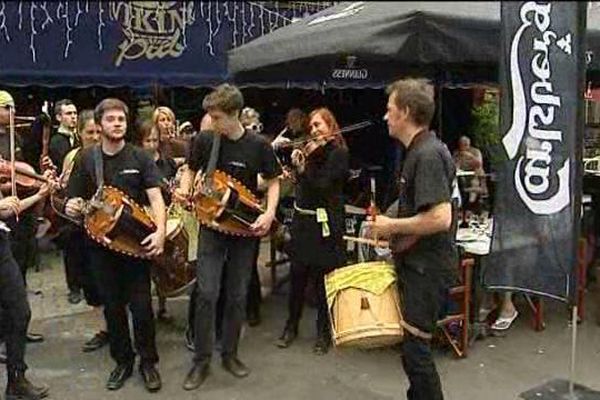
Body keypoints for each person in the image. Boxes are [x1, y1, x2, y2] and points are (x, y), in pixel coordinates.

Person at [175, 84, 281, 391]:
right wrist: (185, 189)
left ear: (234, 115)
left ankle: (230, 354)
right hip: (211, 227)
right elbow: (190, 170)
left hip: (244, 230)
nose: (211, 121)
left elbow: (274, 181)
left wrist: (269, 213)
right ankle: (201, 361)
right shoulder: (206, 140)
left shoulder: (258, 146)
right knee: (207, 293)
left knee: (236, 295)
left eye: (217, 116)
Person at [65, 98, 166, 392]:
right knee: (113, 308)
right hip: (100, 248)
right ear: (100, 124)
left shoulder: (140, 158)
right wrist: (72, 206)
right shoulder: (86, 159)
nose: (117, 123)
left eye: (121, 118)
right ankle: (123, 361)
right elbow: (73, 200)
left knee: (142, 307)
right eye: (110, 119)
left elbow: (156, 198)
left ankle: (148, 362)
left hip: (136, 246)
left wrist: (159, 232)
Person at [365, 78, 457, 400]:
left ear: (405, 112)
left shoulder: (427, 153)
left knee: (416, 354)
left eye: (390, 110)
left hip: (426, 270)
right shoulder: (419, 150)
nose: (385, 116)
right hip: (417, 266)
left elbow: (440, 217)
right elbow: (413, 204)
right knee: (412, 352)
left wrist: (391, 226)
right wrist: (384, 222)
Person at [276, 107, 349, 354]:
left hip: (324, 225)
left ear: (330, 127)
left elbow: (322, 185)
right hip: (303, 222)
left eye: (319, 125)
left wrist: (305, 167)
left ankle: (323, 332)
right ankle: (291, 326)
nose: (314, 130)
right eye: (312, 127)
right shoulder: (309, 153)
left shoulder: (337, 154)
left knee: (321, 281)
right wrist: (296, 169)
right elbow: (304, 186)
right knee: (297, 277)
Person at [0, 90, 53, 400]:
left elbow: (8, 208)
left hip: (3, 236)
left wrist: (38, 194)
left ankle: (16, 380)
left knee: (18, 310)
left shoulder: (13, 140)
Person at [58, 110, 108, 353]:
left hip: (109, 226)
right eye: (90, 132)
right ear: (80, 133)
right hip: (82, 228)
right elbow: (64, 195)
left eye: (99, 131)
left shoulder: (110, 153)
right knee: (92, 282)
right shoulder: (74, 157)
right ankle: (104, 328)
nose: (96, 136)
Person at [137, 120, 178, 321]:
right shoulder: (137, 163)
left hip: (164, 214)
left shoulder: (167, 162)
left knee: (164, 262)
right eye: (147, 141)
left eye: (155, 140)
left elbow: (171, 188)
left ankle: (162, 306)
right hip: (143, 215)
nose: (152, 144)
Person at [48, 99, 83, 304]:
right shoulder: (56, 142)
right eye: (68, 113)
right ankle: (74, 287)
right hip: (65, 197)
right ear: (59, 117)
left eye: (75, 113)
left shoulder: (79, 138)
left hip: (80, 194)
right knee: (71, 243)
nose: (73, 117)